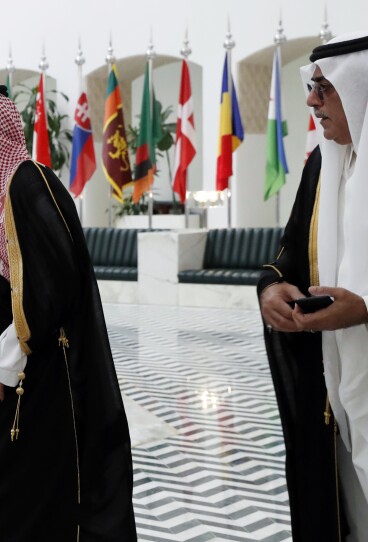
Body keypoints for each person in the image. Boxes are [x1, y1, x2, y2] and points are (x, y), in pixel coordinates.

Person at [0, 84, 136, 541]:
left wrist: (2, 359)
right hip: (37, 376)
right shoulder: (11, 189)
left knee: (38, 500)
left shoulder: (26, 182)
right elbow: (3, 286)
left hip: (51, 378)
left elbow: (51, 284)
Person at [259, 31, 368, 540]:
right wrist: (272, 290)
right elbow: (290, 254)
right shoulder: (322, 163)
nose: (311, 100)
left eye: (325, 87)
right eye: (312, 85)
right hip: (334, 387)